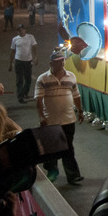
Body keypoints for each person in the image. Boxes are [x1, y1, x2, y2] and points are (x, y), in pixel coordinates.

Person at [35, 51, 84, 185]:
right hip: (50, 121)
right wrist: (41, 117)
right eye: (58, 61)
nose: (61, 64)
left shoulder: (71, 77)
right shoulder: (43, 79)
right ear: (51, 63)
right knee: (51, 148)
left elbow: (76, 95)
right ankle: (52, 170)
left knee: (68, 147)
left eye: (63, 61)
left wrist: (80, 111)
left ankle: (73, 176)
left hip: (68, 119)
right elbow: (39, 100)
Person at [9, 24, 37, 104]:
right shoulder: (15, 39)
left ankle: (25, 93)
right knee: (19, 80)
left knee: (28, 79)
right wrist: (10, 64)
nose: (20, 31)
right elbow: (12, 52)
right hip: (19, 61)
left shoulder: (30, 37)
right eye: (19, 30)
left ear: (25, 30)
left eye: (22, 30)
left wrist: (36, 57)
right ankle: (20, 97)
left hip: (28, 61)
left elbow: (34, 47)